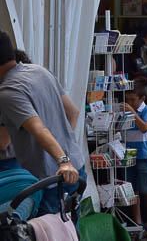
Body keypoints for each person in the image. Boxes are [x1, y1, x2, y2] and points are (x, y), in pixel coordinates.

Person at [0, 31, 84, 216]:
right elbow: (73, 112)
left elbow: (38, 130)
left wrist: (62, 161)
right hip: (75, 169)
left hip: (50, 181)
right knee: (68, 233)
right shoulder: (39, 71)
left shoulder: (8, 92)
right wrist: (66, 152)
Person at [124, 81, 147, 239]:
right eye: (128, 100)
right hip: (128, 155)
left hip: (144, 155)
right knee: (133, 191)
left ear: (141, 98)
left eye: (133, 100)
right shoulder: (126, 111)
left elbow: (145, 127)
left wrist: (132, 113)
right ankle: (136, 223)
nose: (129, 103)